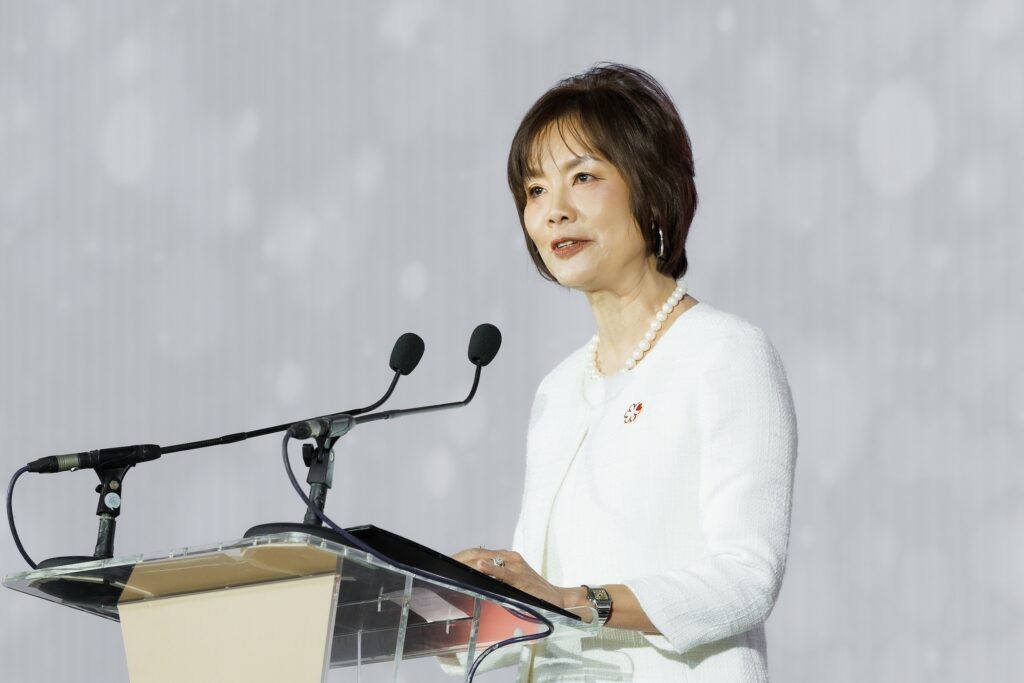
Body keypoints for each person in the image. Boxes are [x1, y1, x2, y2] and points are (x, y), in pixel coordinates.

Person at [454, 63, 797, 682]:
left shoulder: (725, 353)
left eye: (582, 178)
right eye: (535, 191)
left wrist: (579, 601)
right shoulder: (559, 391)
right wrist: (462, 607)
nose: (554, 211)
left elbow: (747, 577)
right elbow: (538, 606)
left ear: (650, 188)